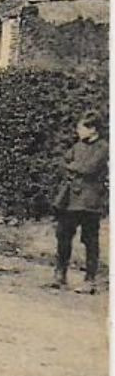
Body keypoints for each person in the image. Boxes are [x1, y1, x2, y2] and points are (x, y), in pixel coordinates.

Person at [51, 111, 108, 294]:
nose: (78, 131)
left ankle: (90, 280)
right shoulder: (77, 146)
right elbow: (64, 162)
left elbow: (89, 169)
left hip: (90, 201)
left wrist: (73, 168)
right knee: (63, 235)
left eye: (81, 127)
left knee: (90, 240)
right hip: (71, 200)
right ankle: (60, 274)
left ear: (92, 129)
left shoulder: (103, 148)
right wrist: (72, 168)